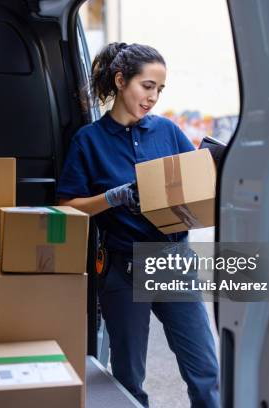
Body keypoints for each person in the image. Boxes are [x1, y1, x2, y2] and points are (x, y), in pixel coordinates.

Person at [56, 42, 219, 407]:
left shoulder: (169, 132)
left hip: (174, 261)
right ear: (120, 80)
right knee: (129, 378)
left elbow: (195, 187)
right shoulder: (89, 141)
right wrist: (114, 197)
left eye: (160, 89)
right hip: (123, 266)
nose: (153, 97)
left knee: (205, 371)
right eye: (147, 86)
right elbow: (68, 207)